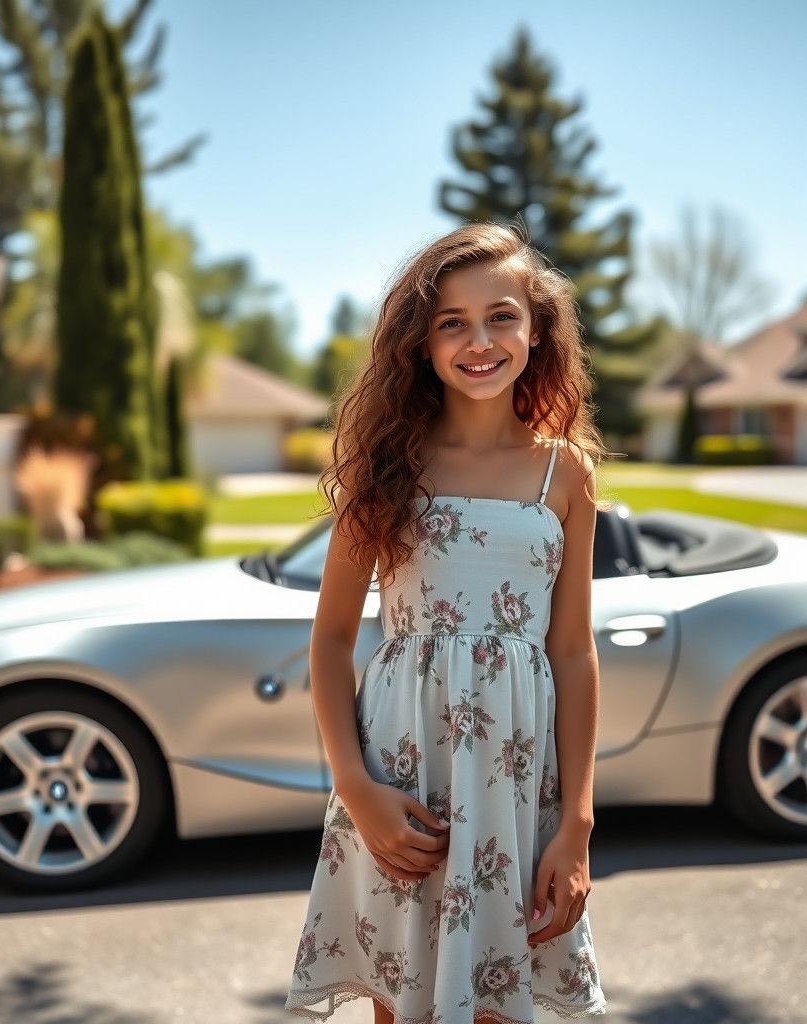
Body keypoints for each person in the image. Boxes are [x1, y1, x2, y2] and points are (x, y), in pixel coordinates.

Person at [284, 221, 609, 1024]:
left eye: (502, 316)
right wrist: (355, 788)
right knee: (405, 1002)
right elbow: (330, 641)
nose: (480, 341)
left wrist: (576, 824)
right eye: (452, 323)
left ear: (537, 330)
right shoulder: (388, 467)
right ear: (421, 345)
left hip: (517, 787)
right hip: (402, 780)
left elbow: (572, 650)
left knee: (500, 999)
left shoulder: (566, 473)